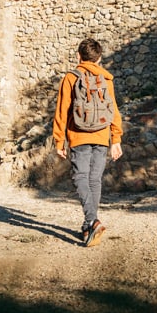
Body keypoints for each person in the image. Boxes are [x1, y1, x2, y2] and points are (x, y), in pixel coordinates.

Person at [52, 37, 123, 247]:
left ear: (78, 56)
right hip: (102, 136)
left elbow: (62, 111)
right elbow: (114, 112)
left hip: (78, 134)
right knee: (94, 180)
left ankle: (92, 220)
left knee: (80, 176)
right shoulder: (107, 79)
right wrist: (116, 139)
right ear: (99, 58)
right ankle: (88, 225)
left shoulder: (71, 78)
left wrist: (59, 140)